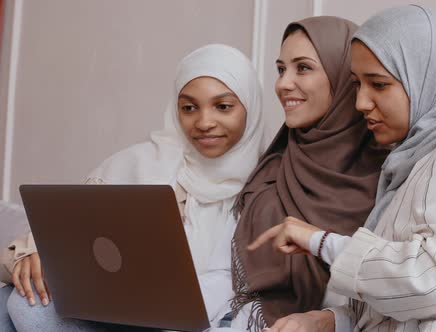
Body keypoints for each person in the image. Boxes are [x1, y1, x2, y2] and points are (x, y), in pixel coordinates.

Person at [249, 5, 436, 332]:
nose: (361, 103)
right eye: (357, 84)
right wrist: (327, 321)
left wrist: (321, 242)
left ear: (429, 78)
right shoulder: (415, 159)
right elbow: (396, 302)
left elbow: (431, 283)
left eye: (379, 85)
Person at [1, 43, 266, 331]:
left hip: (187, 319)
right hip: (105, 304)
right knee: (22, 302)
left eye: (223, 106)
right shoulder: (141, 162)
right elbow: (70, 230)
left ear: (250, 107)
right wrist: (33, 255)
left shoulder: (269, 185)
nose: (204, 122)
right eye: (189, 107)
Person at [226, 16, 387, 331]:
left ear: (343, 77)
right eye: (281, 69)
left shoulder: (391, 177)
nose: (283, 84)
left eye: (303, 67)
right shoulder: (269, 173)